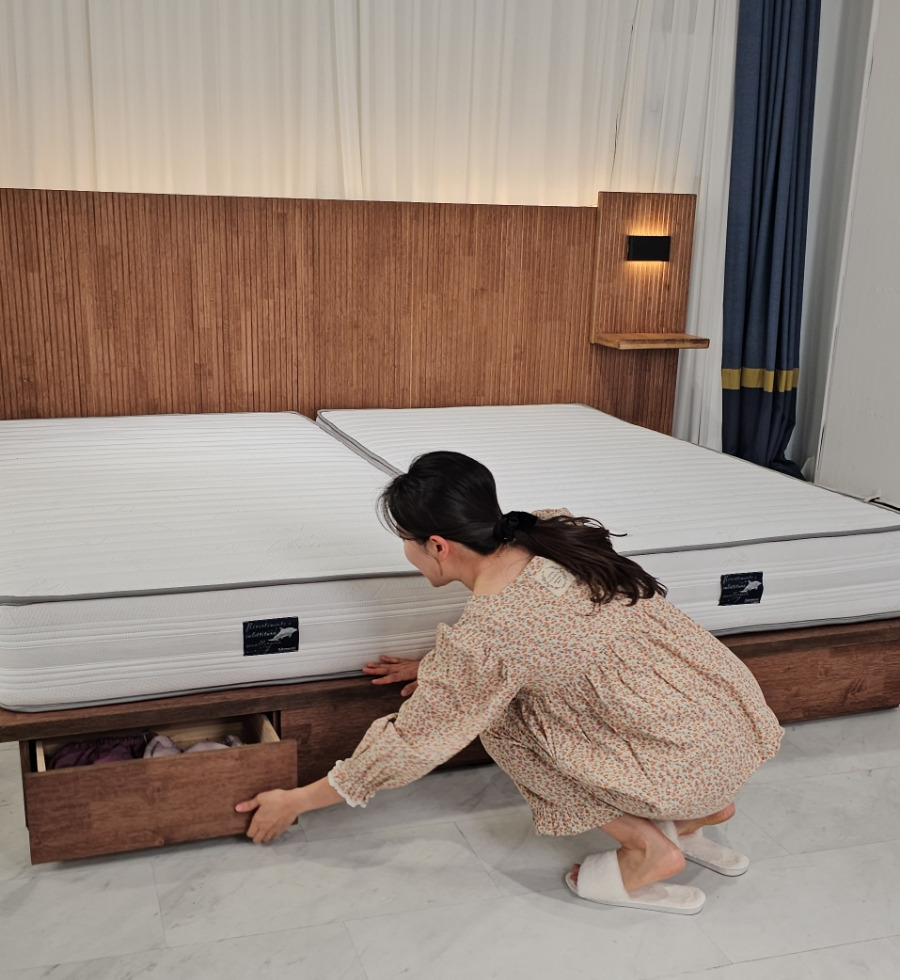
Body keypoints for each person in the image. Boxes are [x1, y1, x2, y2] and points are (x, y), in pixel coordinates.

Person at [236, 451, 783, 914]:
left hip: (682, 762)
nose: (405, 553)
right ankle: (700, 815)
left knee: (502, 719)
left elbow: (411, 743)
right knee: (514, 694)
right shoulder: (552, 530)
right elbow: (559, 639)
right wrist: (438, 666)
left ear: (438, 545)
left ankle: (648, 850)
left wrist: (297, 800)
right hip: (728, 729)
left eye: (405, 540)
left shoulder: (490, 635)